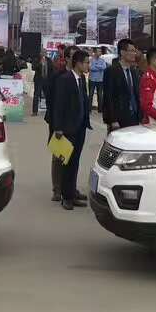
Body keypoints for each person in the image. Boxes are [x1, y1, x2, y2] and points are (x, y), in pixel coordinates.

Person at [50, 49, 93, 210]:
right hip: (67, 129)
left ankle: (72, 193)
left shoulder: (81, 79)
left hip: (80, 127)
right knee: (66, 163)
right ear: (78, 63)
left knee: (75, 163)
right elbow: (59, 104)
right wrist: (58, 127)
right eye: (87, 62)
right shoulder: (65, 79)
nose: (88, 65)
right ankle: (66, 197)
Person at [45, 51, 71, 201]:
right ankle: (57, 189)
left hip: (73, 122)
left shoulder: (79, 76)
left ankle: (69, 187)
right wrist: (56, 123)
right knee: (58, 155)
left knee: (71, 156)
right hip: (58, 122)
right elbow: (50, 98)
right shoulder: (57, 76)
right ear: (67, 59)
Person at [103, 39, 139, 130]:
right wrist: (113, 120)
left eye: (135, 51)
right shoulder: (111, 71)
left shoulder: (134, 71)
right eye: (132, 51)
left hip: (135, 117)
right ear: (122, 52)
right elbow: (108, 97)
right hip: (119, 119)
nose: (134, 54)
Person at [89, 47, 108, 112]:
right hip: (92, 79)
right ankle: (89, 109)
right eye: (98, 51)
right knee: (91, 94)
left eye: (100, 51)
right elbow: (91, 68)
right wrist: (99, 67)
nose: (100, 53)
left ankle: (100, 109)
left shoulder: (102, 60)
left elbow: (104, 67)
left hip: (100, 79)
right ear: (95, 52)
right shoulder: (91, 59)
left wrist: (96, 66)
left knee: (100, 95)